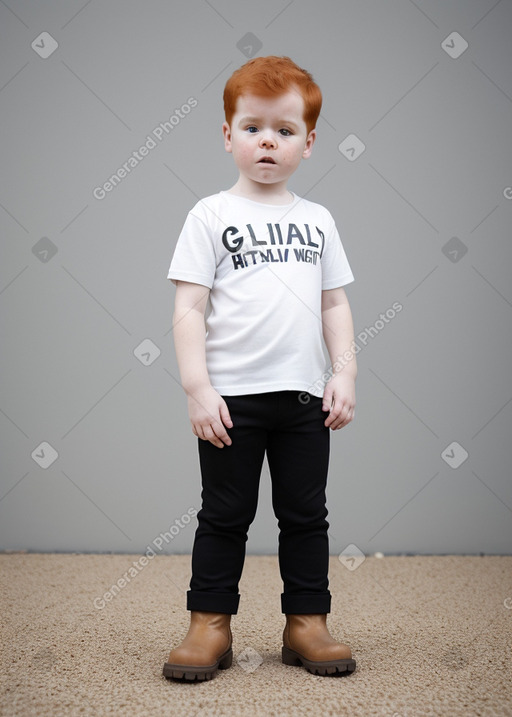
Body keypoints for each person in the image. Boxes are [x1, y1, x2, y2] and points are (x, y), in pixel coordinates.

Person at [163, 56, 357, 681]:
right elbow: (188, 307)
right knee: (224, 513)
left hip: (302, 398)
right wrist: (197, 388)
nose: (267, 141)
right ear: (227, 136)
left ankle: (307, 622)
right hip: (232, 400)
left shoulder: (319, 219)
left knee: (306, 514)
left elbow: (335, 303)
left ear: (309, 142)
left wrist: (344, 373)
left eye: (284, 130)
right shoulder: (210, 216)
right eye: (251, 128)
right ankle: (209, 624)